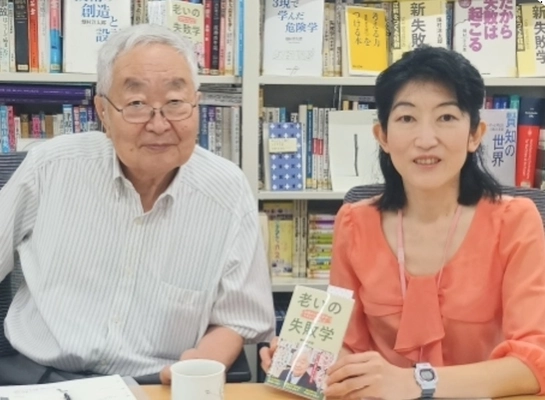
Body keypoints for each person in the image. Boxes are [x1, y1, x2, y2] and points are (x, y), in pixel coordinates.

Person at [261, 45, 545, 399]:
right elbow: (348, 345)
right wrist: (307, 357)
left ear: (475, 134)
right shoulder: (354, 223)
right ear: (382, 136)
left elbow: (533, 363)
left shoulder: (515, 222)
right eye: (407, 118)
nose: (425, 140)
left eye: (446, 117)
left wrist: (415, 383)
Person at [0, 23, 275, 385]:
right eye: (136, 104)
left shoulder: (227, 189)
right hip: (38, 379)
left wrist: (196, 368)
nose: (159, 125)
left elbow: (237, 318)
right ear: (103, 111)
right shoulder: (50, 167)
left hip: (157, 384)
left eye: (175, 103)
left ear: (196, 104)